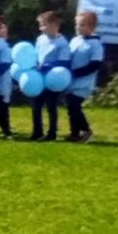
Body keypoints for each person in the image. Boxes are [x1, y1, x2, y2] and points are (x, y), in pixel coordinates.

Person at [30, 11, 71, 142]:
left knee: (51, 106)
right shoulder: (41, 39)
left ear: (55, 25)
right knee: (36, 105)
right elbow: (35, 55)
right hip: (40, 78)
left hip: (54, 78)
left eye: (43, 25)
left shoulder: (62, 43)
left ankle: (52, 132)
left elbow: (64, 61)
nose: (41, 28)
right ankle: (37, 131)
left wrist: (48, 65)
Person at [64, 10, 101, 143]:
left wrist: (77, 73)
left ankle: (86, 130)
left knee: (74, 105)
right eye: (77, 25)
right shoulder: (75, 41)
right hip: (71, 80)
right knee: (71, 106)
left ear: (91, 27)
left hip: (84, 82)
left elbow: (95, 65)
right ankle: (74, 133)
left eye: (82, 25)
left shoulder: (95, 44)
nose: (78, 28)